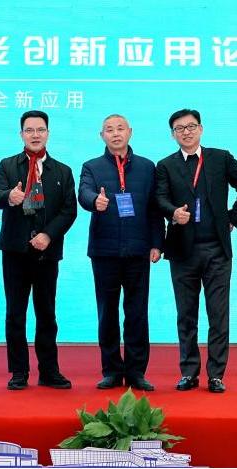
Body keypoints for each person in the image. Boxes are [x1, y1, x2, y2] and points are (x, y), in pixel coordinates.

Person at [0, 110, 77, 391]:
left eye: (40, 130)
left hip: (46, 253)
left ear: (48, 133)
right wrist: (10, 196)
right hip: (15, 251)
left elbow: (69, 210)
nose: (35, 135)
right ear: (21, 135)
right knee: (15, 313)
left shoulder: (62, 171)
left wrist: (48, 235)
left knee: (46, 313)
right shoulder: (7, 165)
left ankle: (49, 370)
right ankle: (19, 372)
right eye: (29, 130)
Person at [78, 114, 164, 391]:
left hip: (138, 250)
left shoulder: (147, 167)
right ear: (101, 135)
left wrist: (157, 242)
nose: (115, 134)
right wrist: (95, 200)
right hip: (105, 251)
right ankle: (112, 371)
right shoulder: (91, 166)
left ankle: (136, 372)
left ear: (130, 132)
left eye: (120, 128)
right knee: (107, 313)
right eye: (109, 130)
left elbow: (154, 208)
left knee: (137, 312)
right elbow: (83, 193)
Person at [155, 109, 237, 393]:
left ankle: (216, 375)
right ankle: (189, 372)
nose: (186, 132)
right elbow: (159, 198)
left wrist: (233, 218)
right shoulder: (165, 165)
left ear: (201, 129)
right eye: (180, 128)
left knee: (218, 315)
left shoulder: (220, 158)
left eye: (191, 126)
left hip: (217, 250)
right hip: (183, 251)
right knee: (186, 315)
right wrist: (173, 212)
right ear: (173, 134)